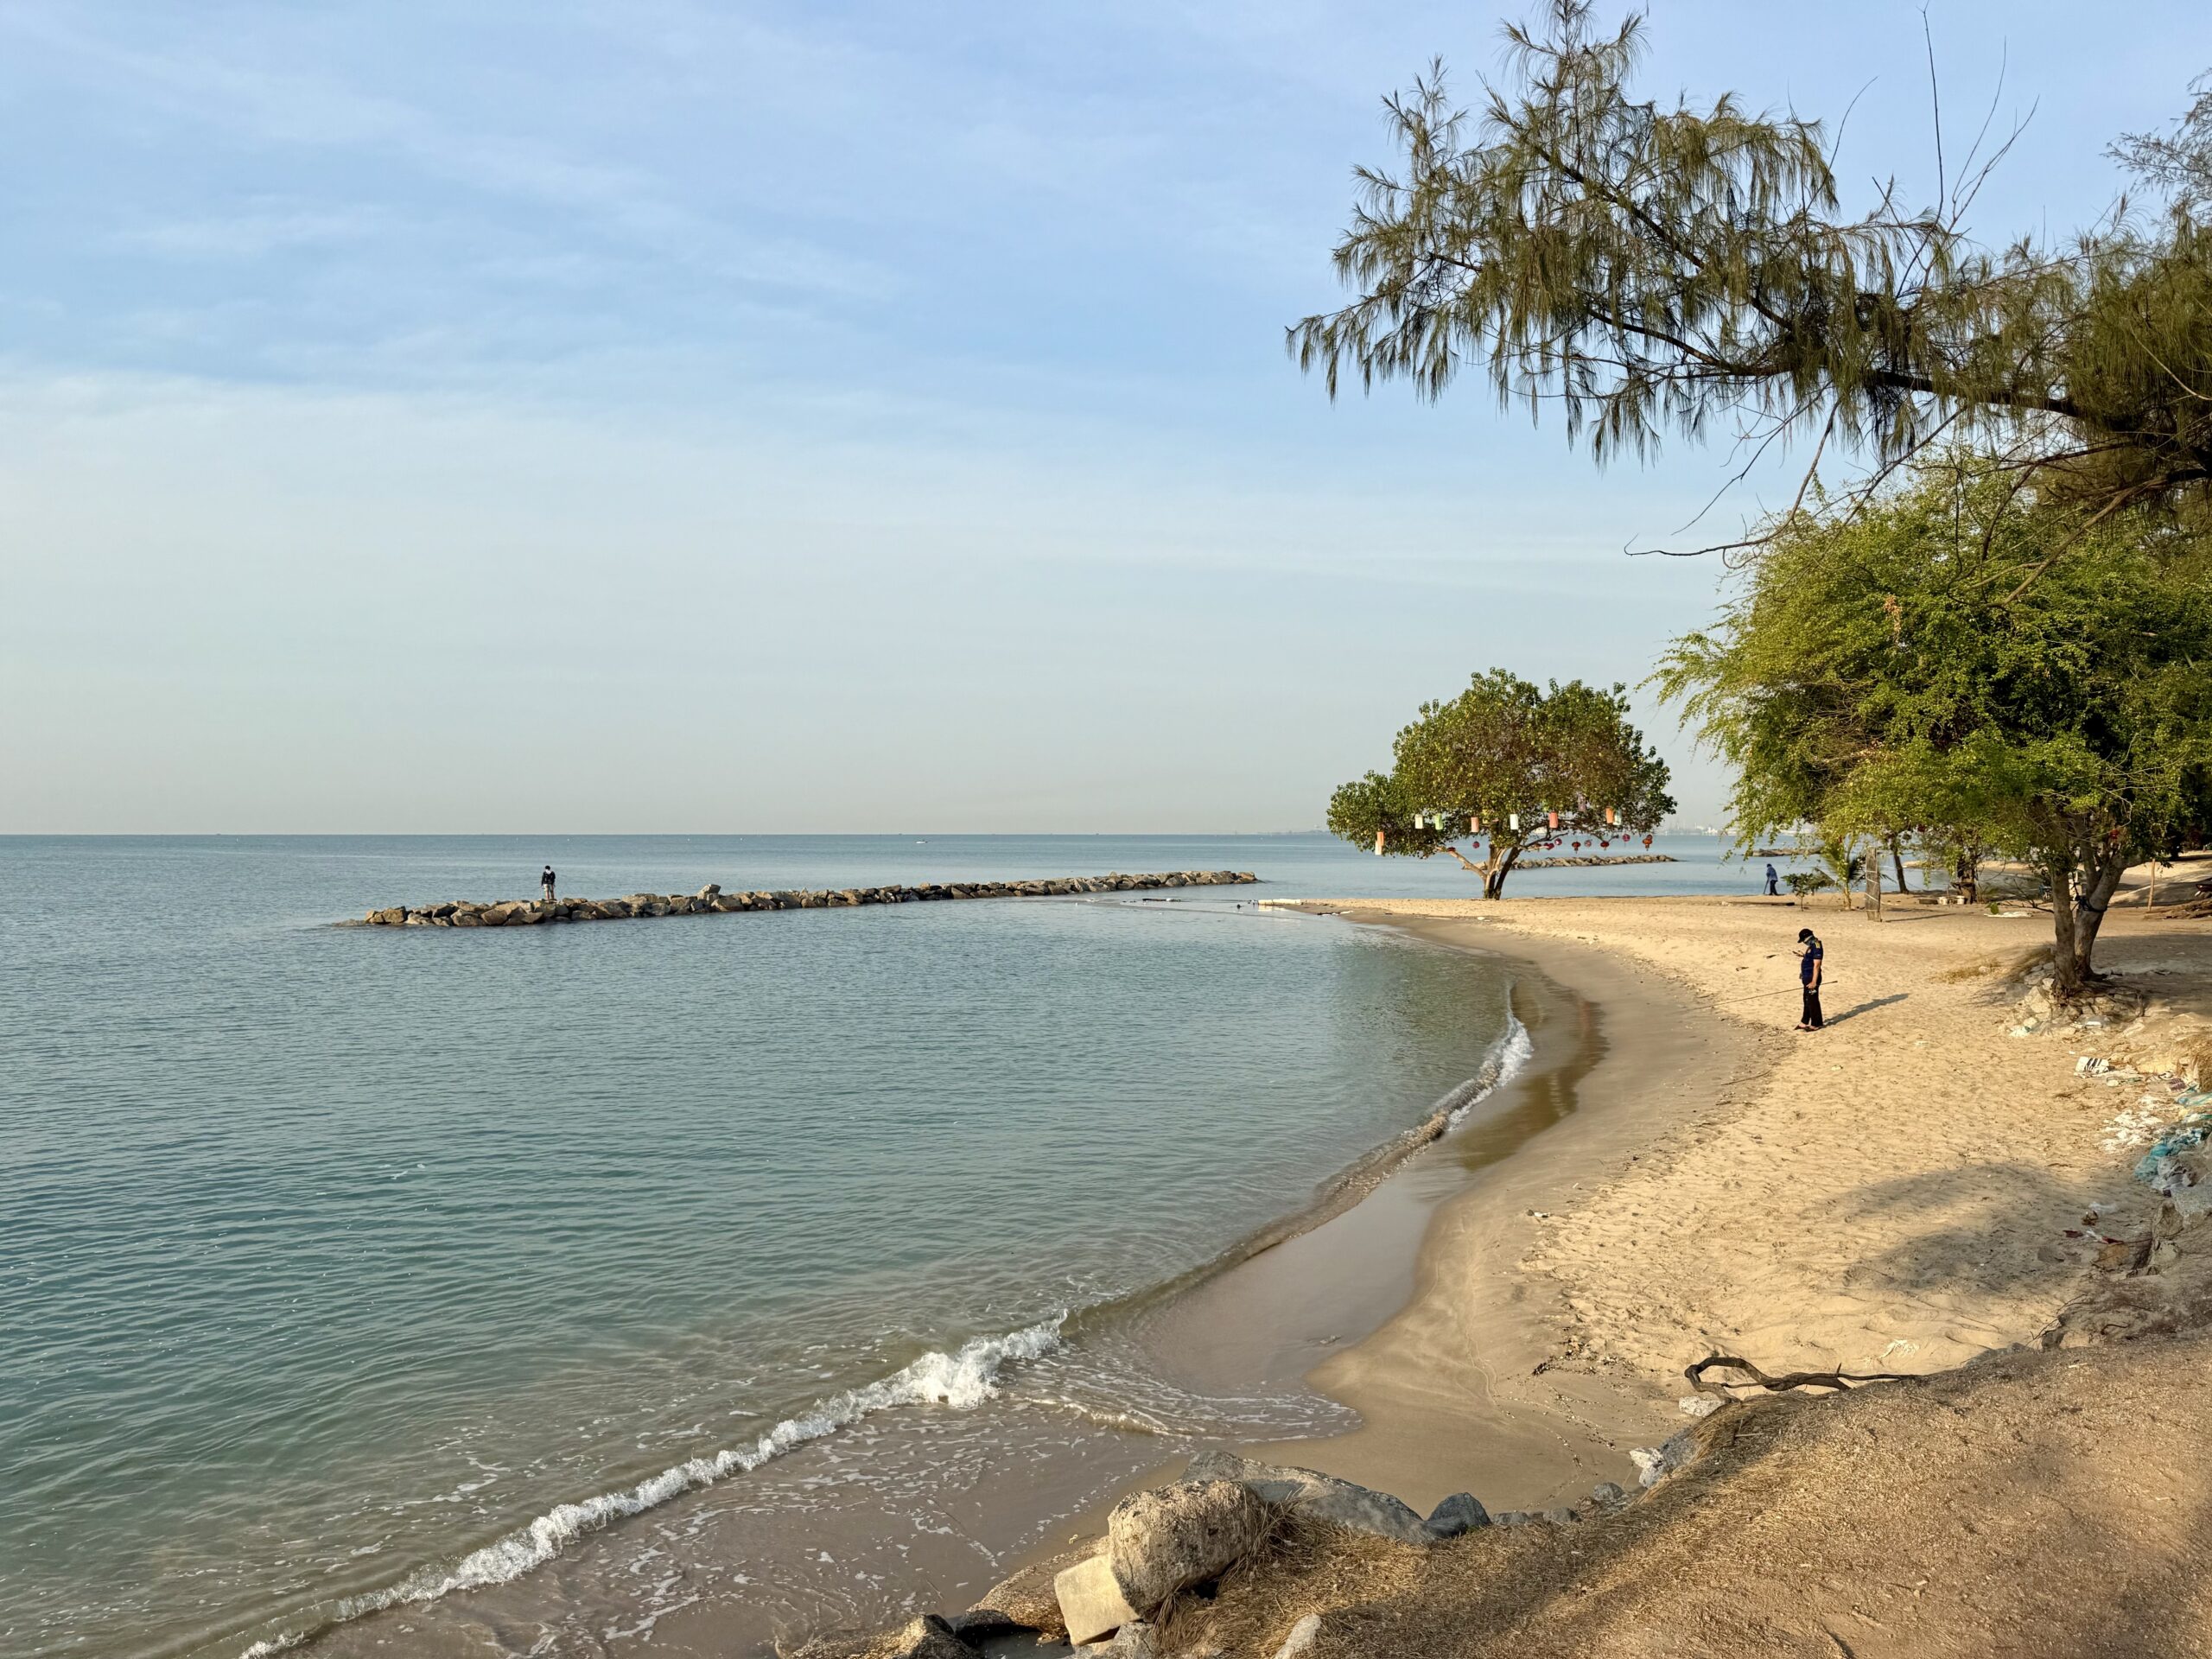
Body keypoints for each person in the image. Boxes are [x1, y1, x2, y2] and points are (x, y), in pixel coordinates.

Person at [1796, 927, 1824, 1030]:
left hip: (1812, 978)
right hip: (1807, 976)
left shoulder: (1817, 946)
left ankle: (1817, 1023)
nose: (1804, 943)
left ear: (1807, 938)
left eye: (1803, 941)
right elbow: (1810, 960)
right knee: (1806, 999)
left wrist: (1814, 981)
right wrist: (1803, 957)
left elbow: (1817, 965)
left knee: (1813, 1000)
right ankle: (1804, 1021)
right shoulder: (1811, 946)